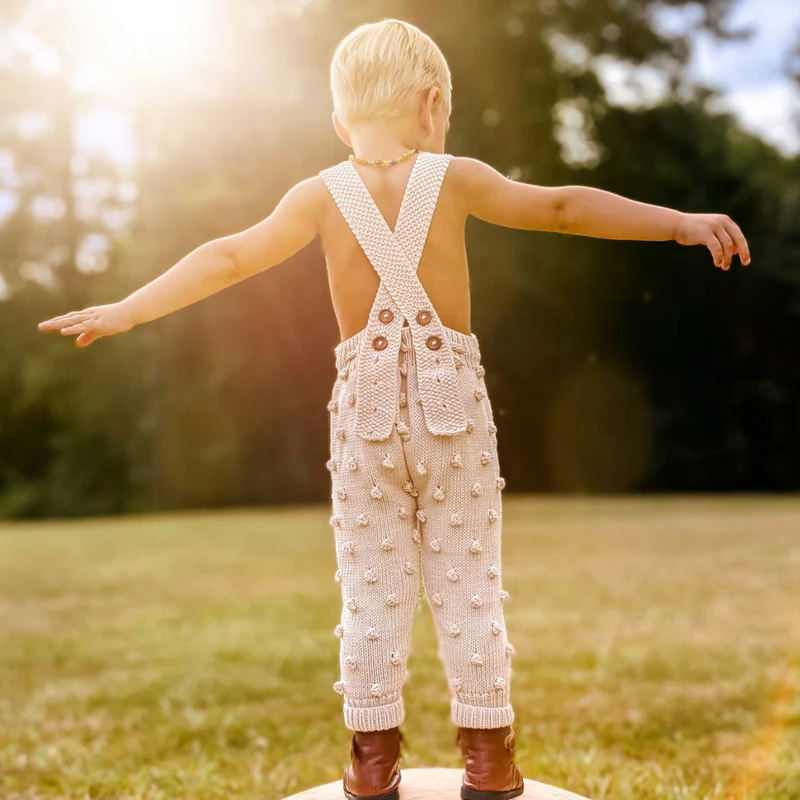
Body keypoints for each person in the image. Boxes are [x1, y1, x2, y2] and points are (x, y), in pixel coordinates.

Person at [38, 17, 750, 800]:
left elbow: (229, 256)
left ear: (340, 122)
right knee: (468, 584)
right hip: (456, 420)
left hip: (364, 422)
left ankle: (372, 765)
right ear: (432, 105)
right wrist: (678, 224)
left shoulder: (318, 196)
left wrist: (128, 310)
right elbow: (562, 208)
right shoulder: (456, 177)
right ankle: (489, 760)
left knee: (371, 590)